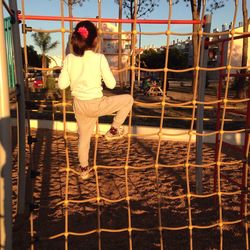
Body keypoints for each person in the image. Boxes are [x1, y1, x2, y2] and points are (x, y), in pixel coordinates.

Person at [58, 21, 133, 180]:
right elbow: (111, 84)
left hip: (79, 105)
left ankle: (84, 169)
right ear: (95, 41)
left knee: (83, 139)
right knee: (128, 100)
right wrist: (106, 71)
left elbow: (62, 84)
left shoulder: (69, 59)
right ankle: (113, 130)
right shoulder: (99, 58)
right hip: (96, 104)